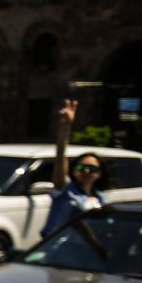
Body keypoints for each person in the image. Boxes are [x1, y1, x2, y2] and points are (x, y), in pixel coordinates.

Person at [44, 99, 105, 236]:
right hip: (57, 250)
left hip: (84, 253)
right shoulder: (65, 191)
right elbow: (61, 155)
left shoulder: (101, 199)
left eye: (92, 169)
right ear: (75, 171)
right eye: (82, 167)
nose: (87, 171)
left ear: (99, 174)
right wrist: (65, 127)